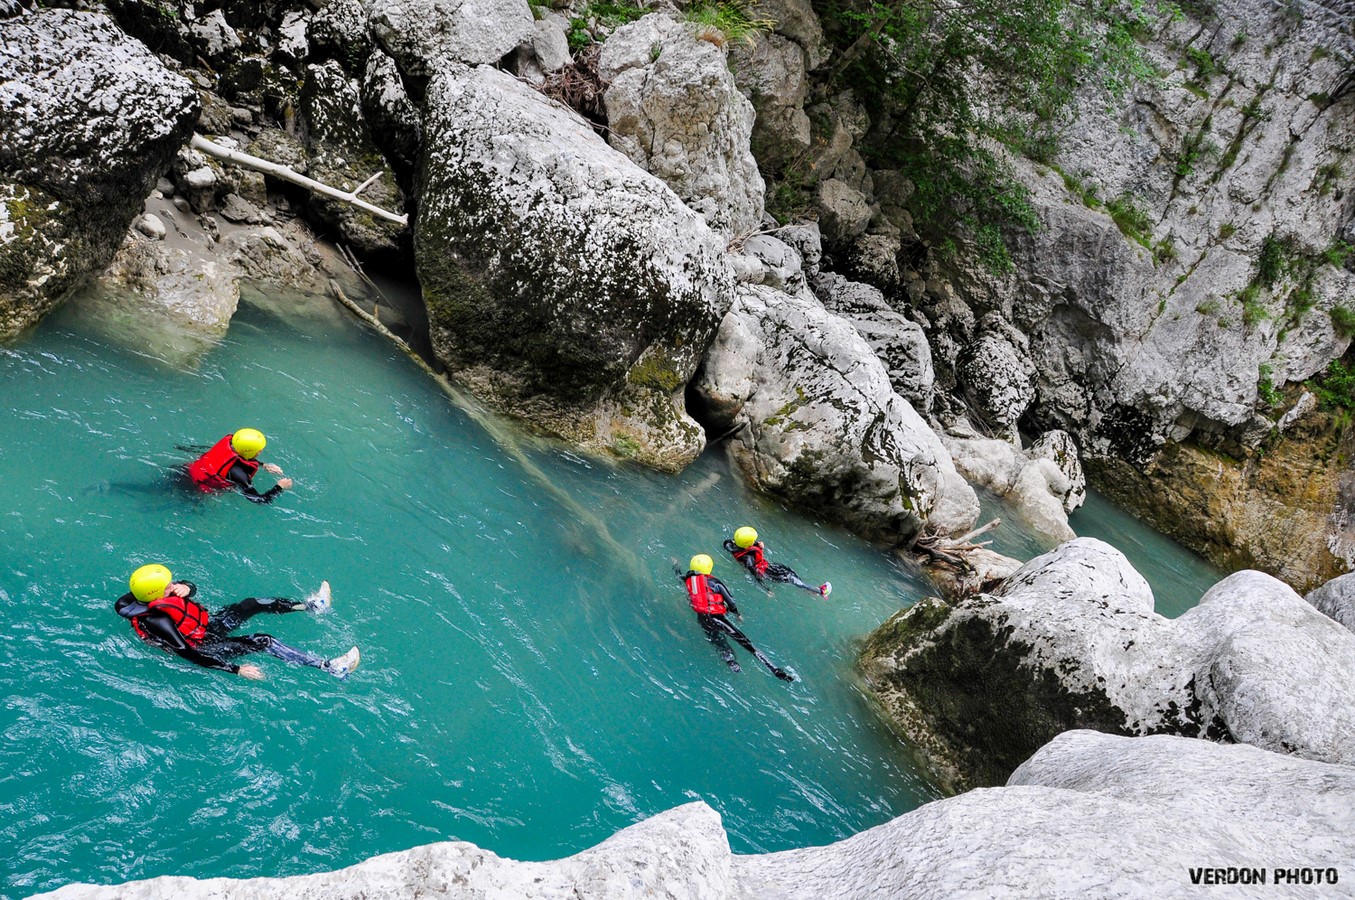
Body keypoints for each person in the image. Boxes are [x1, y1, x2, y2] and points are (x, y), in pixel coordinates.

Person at [115, 564, 360, 681]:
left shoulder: (159, 594)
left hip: (204, 629)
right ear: (156, 594)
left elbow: (189, 588)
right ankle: (329, 667)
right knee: (263, 640)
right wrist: (236, 669)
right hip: (201, 647)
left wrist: (186, 587)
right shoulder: (158, 620)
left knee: (251, 603)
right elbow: (187, 653)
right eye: (168, 585)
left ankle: (311, 606)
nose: (172, 585)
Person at [678, 554, 794, 682]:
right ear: (709, 568)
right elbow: (731, 601)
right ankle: (775, 670)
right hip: (719, 619)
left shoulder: (688, 580)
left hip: (703, 619)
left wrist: (676, 566)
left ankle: (731, 662)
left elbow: (679, 576)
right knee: (747, 644)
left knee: (719, 643)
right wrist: (737, 614)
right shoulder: (715, 583)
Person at [186, 428, 292, 504]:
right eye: (259, 450)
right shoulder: (240, 475)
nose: (261, 451)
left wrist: (263, 465)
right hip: (195, 490)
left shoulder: (228, 446)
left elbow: (240, 458)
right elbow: (259, 499)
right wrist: (279, 487)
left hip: (187, 470)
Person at [723, 526, 830, 597]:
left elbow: (740, 545)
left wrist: (756, 545)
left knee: (790, 571)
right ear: (747, 543)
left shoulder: (732, 544)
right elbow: (754, 574)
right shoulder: (749, 559)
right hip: (768, 573)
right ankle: (820, 591)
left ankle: (808, 590)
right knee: (790, 578)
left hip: (769, 566)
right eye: (753, 541)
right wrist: (766, 589)